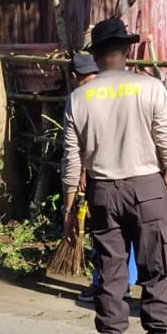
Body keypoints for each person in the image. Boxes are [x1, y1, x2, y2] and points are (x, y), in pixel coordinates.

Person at [62, 17, 167, 334]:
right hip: (149, 188)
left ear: (96, 54)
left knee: (112, 272)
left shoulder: (79, 97)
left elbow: (72, 159)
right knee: (159, 269)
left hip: (104, 191)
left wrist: (69, 207)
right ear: (127, 50)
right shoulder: (150, 88)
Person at [67, 53, 139, 304]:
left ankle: (104, 286)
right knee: (128, 234)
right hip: (138, 178)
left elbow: (82, 147)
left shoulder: (81, 100)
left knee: (106, 237)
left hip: (104, 179)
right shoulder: (123, 93)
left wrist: (81, 175)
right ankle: (125, 285)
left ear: (75, 77)